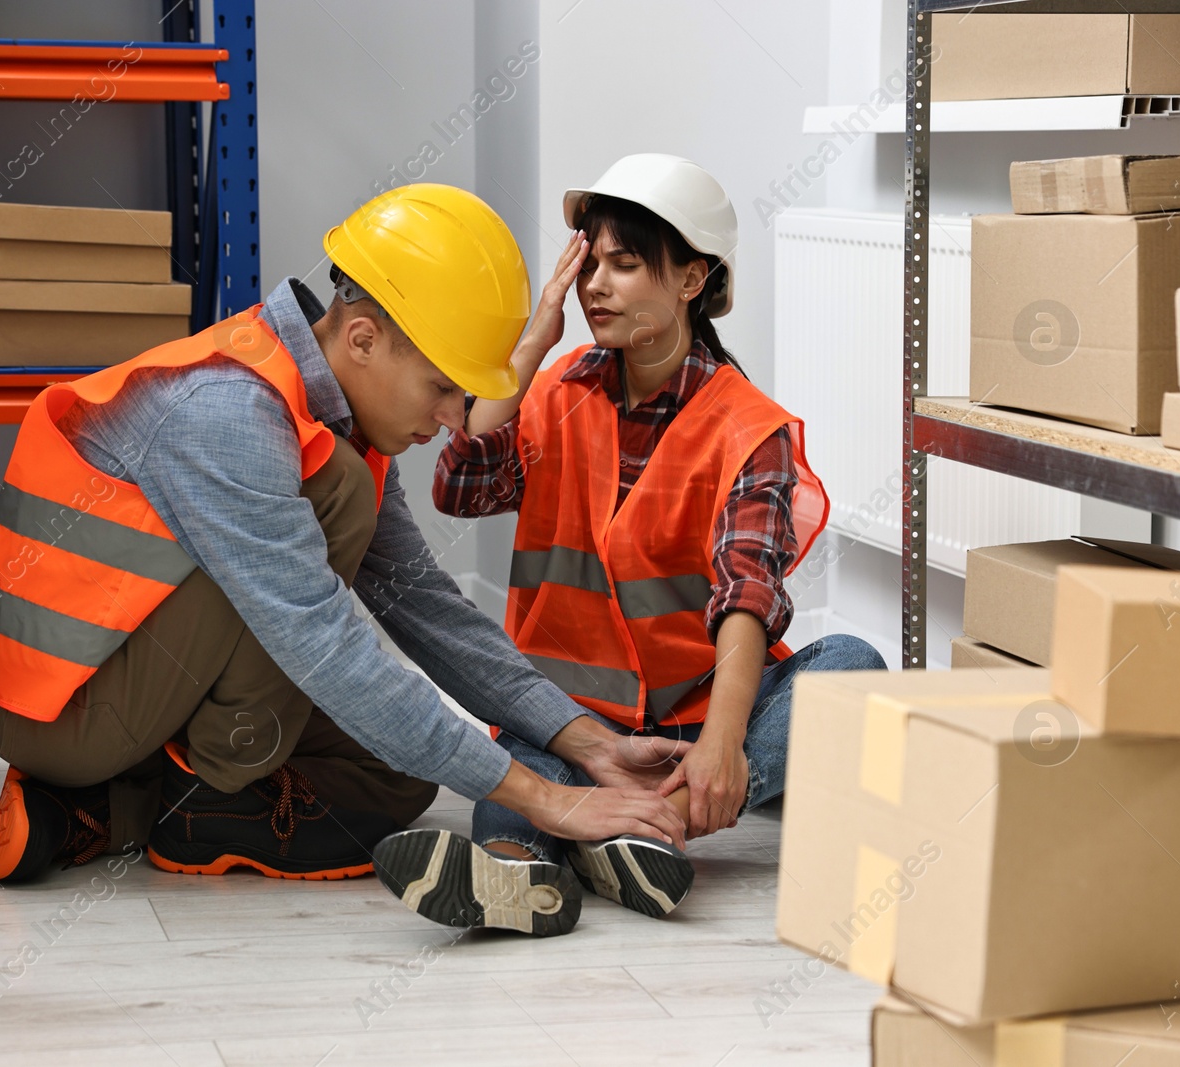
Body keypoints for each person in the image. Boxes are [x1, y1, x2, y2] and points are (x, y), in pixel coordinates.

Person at [0, 183, 690, 938]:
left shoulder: (321, 408)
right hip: (65, 709)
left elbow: (423, 603)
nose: (451, 419)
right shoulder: (230, 416)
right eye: (441, 387)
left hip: (133, 677)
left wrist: (586, 739)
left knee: (400, 772)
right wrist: (545, 798)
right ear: (362, 338)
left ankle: (125, 807)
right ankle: (183, 790)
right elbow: (324, 645)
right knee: (336, 503)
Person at [373, 155, 885, 933]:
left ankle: (642, 824)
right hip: (564, 717)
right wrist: (532, 344)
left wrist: (720, 744)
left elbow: (747, 592)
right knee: (521, 766)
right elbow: (459, 488)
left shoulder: (751, 428)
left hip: (693, 720)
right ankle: (520, 875)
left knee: (851, 667)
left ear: (690, 279)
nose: (594, 287)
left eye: (625, 264)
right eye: (589, 264)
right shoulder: (554, 393)